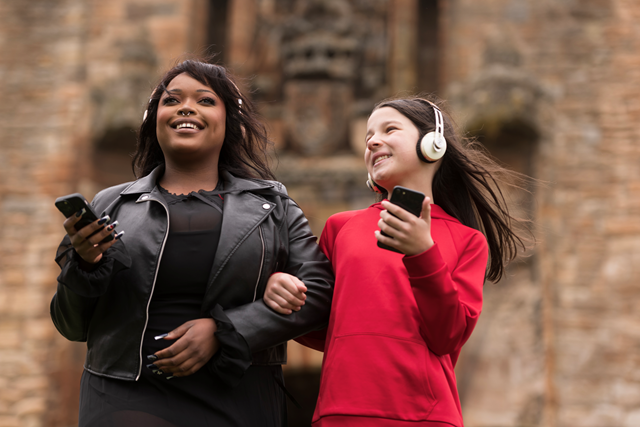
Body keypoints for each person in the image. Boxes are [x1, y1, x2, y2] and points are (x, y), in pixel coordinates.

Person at [50, 59, 334, 427]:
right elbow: (71, 325)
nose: (186, 107)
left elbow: (319, 292)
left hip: (237, 394)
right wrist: (86, 265)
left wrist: (227, 329)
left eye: (205, 100)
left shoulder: (273, 206)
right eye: (171, 100)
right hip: (125, 394)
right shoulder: (110, 204)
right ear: (155, 120)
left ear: (229, 120)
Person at [263, 97, 529, 426]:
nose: (374, 140)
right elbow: (319, 327)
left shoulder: (468, 241)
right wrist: (279, 291)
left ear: (433, 144)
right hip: (341, 411)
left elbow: (448, 335)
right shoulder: (340, 226)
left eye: (390, 129)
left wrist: (422, 254)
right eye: (368, 136)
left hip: (427, 418)